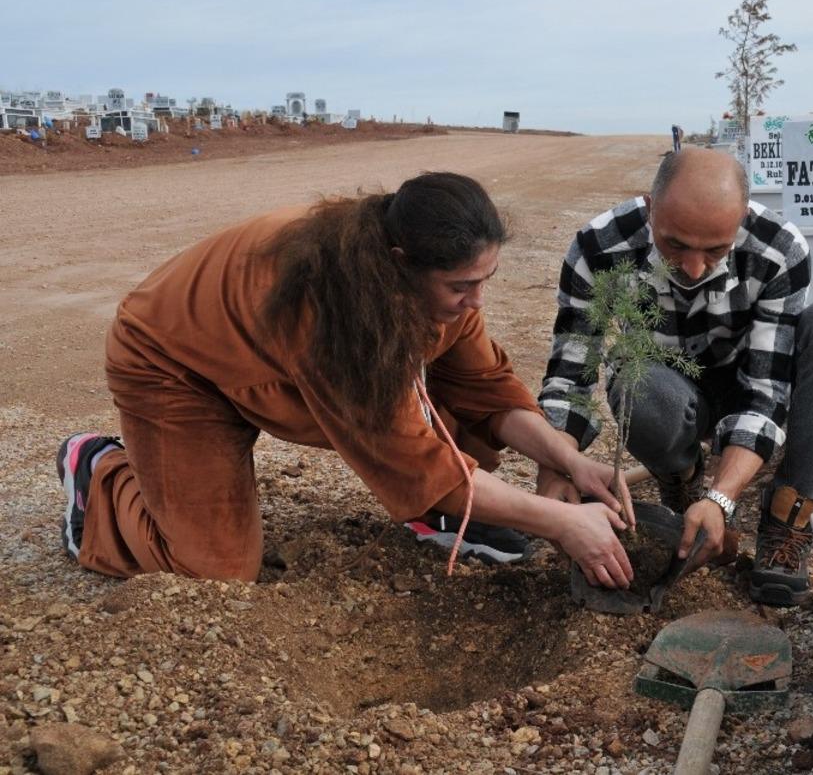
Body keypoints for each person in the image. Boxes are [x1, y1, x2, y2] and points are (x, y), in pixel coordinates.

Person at [56, 172, 635, 588]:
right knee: (216, 570)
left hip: (270, 362)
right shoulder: (337, 315)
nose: (476, 301)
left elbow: (484, 387)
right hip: (177, 368)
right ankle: (97, 470)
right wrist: (562, 522)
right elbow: (410, 456)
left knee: (452, 413)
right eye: (461, 287)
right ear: (401, 263)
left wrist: (566, 458)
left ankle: (442, 511)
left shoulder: (418, 276)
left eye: (486, 279)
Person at [537, 148, 813, 607]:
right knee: (635, 381)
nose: (692, 269)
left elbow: (765, 392)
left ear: (742, 218)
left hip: (747, 379)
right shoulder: (601, 246)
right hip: (667, 388)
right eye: (674, 245)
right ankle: (681, 481)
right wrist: (555, 469)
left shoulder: (778, 247)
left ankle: (789, 515)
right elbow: (571, 375)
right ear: (650, 208)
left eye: (715, 251)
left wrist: (722, 498)